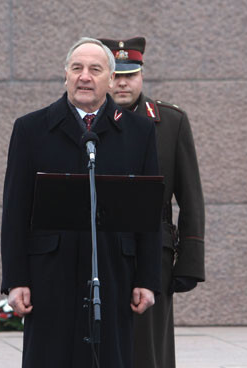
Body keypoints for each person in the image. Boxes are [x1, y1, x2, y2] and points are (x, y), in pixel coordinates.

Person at [1, 37, 162, 368]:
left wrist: (146, 278)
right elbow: (15, 212)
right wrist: (16, 279)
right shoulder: (31, 129)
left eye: (94, 69)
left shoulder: (139, 132)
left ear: (110, 78)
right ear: (66, 75)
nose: (84, 76)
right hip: (49, 276)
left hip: (114, 274)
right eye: (77, 68)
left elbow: (150, 214)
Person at [99, 37, 205, 368]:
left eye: (129, 74)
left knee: (148, 348)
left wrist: (189, 262)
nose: (122, 82)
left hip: (153, 248)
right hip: (100, 245)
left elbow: (191, 197)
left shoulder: (170, 122)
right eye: (114, 75)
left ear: (141, 75)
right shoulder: (87, 120)